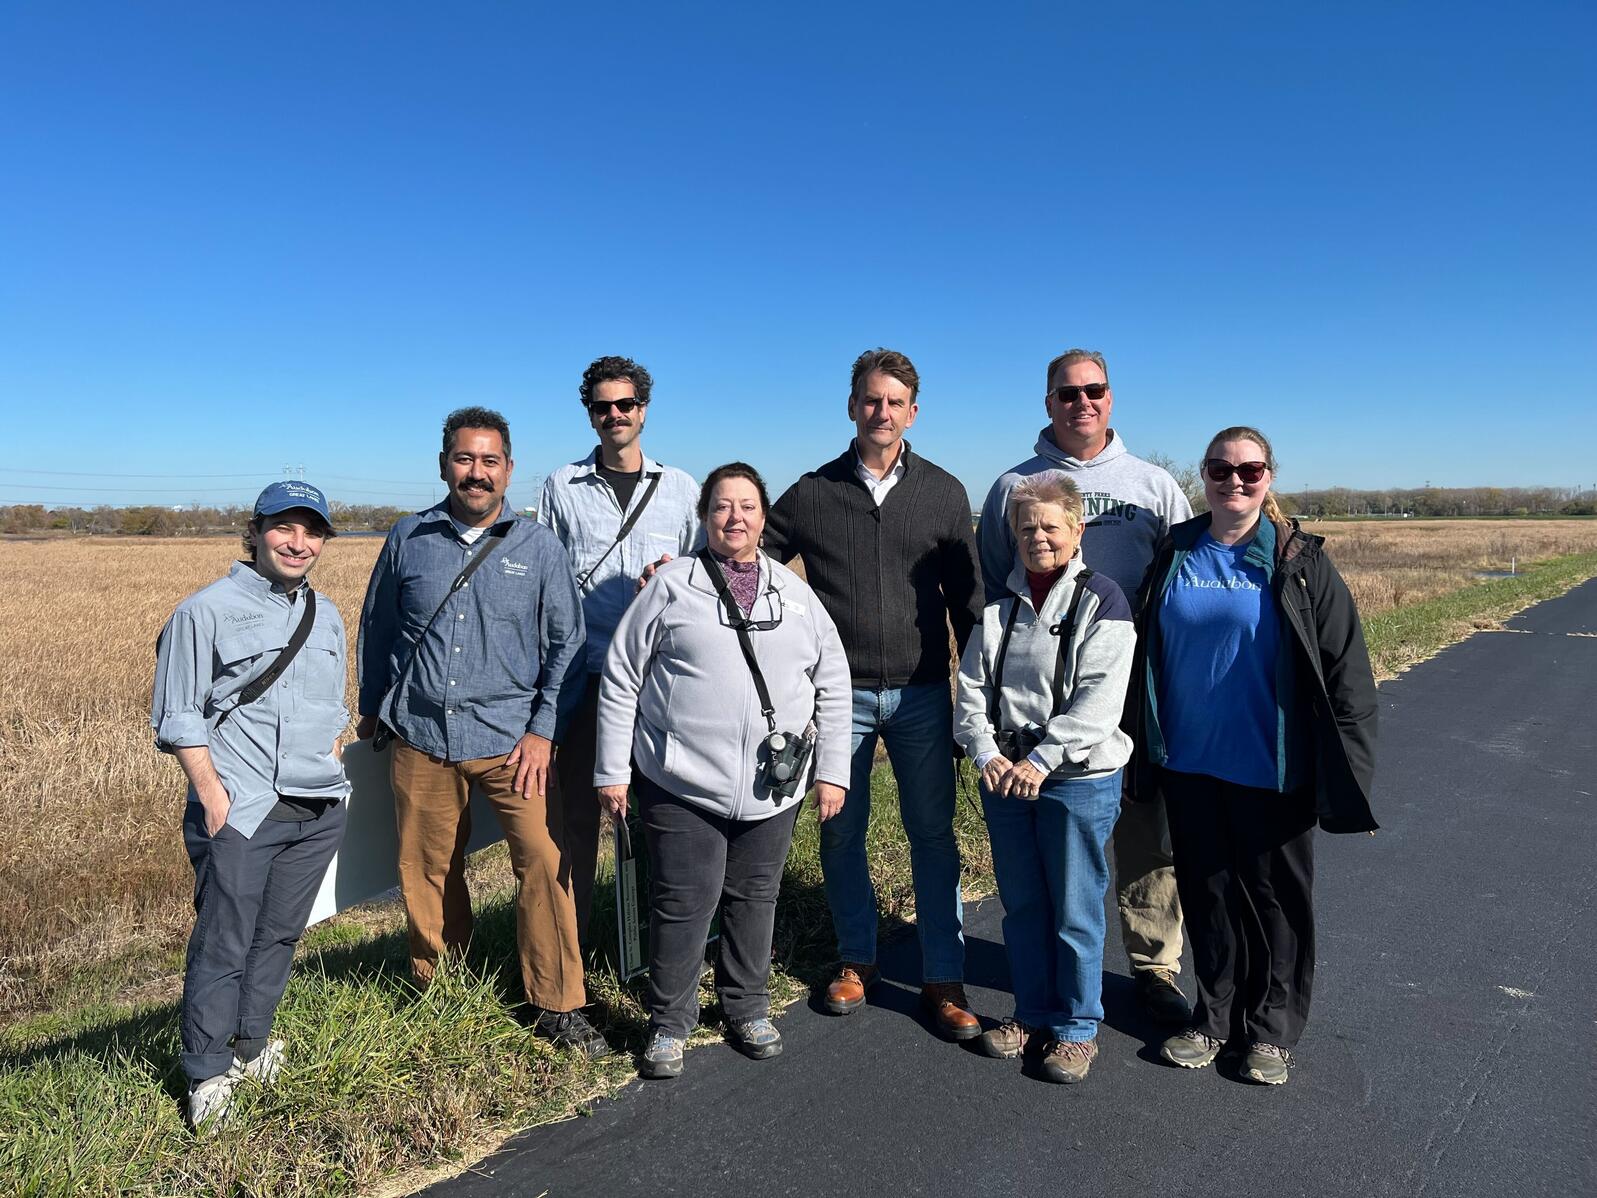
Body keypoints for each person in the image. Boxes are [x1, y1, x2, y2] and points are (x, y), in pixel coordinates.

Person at [1127, 426, 1378, 1085]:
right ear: (1202, 476)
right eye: (1219, 470)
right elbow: (1144, 654)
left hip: (1271, 764)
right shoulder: (1177, 549)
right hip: (1186, 760)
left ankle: (1269, 1033)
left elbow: (1344, 667)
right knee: (1206, 896)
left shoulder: (1295, 558)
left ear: (1268, 477)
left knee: (1274, 901)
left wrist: (1347, 764)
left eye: (1248, 470)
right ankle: (1212, 1019)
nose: (1233, 481)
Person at [356, 406, 607, 1058]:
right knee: (427, 870)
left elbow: (566, 646)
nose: (476, 472)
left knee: (545, 863)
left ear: (508, 470)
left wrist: (543, 732)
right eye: (464, 459)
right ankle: (444, 994)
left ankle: (557, 1004)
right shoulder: (409, 539)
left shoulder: (537, 546)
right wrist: (373, 706)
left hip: (510, 741)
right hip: (421, 737)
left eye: (489, 461)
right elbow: (378, 629)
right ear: (445, 465)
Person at [596, 462, 851, 1079]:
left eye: (747, 507)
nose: (734, 518)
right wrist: (612, 770)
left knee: (755, 895)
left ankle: (745, 1006)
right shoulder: (672, 586)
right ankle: (669, 1023)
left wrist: (833, 771)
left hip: (773, 786)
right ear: (703, 517)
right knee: (683, 901)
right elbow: (622, 676)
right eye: (721, 507)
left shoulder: (795, 595)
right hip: (681, 781)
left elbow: (833, 683)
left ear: (764, 518)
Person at [763, 348, 985, 1040]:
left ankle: (941, 977)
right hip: (838, 699)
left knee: (931, 836)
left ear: (911, 412)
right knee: (841, 831)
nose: (880, 412)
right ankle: (854, 959)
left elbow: (968, 603)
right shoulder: (812, 491)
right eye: (869, 400)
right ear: (851, 406)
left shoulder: (944, 493)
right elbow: (755, 567)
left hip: (922, 694)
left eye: (894, 402)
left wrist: (972, 701)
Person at [978, 348, 1194, 1025]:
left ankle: (1153, 963)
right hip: (1040, 690)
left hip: (1134, 677)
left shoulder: (1152, 485)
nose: (1081, 403)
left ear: (1110, 397)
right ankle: (1050, 983)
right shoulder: (1012, 485)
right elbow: (995, 583)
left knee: (1145, 830)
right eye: (1066, 393)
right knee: (1059, 849)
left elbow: (1183, 577)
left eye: (1093, 390)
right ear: (1047, 403)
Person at [152, 481, 350, 1130]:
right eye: (284, 528)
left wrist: (333, 754)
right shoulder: (203, 611)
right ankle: (207, 1076)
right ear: (257, 531)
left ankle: (252, 1045)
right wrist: (211, 795)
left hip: (316, 807)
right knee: (223, 943)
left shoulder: (327, 615)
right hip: (242, 809)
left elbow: (333, 705)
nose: (298, 543)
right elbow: (178, 716)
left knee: (279, 936)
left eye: (312, 531)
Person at [954, 472, 1136, 1083]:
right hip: (1007, 778)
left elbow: (1099, 702)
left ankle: (1078, 1028)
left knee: (1075, 906)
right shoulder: (1000, 608)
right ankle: (1030, 1012)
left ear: (1077, 529)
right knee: (1023, 903)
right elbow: (972, 691)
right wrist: (986, 755)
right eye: (1026, 527)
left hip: (1075, 778)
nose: (1038, 537)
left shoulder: (1103, 601)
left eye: (1050, 526)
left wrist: (1042, 760)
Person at [538, 355, 701, 942]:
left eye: (625, 405)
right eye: (602, 407)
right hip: (586, 676)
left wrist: (673, 572)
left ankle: (669, 947)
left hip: (660, 681)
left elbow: (702, 577)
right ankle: (574, 958)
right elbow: (547, 582)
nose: (614, 415)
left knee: (667, 819)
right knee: (576, 823)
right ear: (590, 414)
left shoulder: (681, 488)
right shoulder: (561, 486)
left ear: (644, 411)